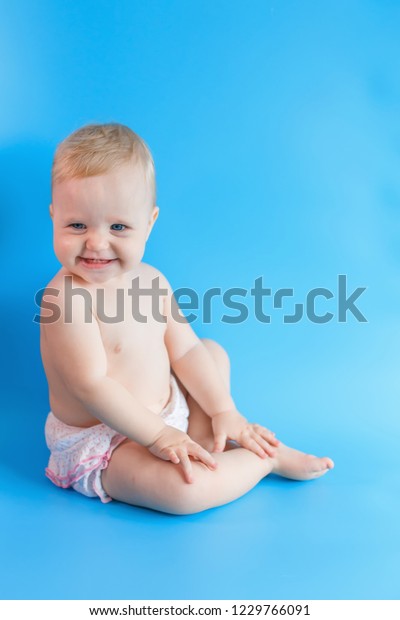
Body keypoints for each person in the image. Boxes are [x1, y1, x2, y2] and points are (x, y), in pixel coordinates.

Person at [41, 122, 334, 515]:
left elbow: (186, 349)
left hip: (168, 413)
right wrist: (157, 436)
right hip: (110, 440)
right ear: (54, 216)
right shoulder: (64, 300)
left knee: (212, 352)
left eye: (118, 227)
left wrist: (223, 409)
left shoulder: (152, 280)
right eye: (77, 225)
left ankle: (214, 433)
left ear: (150, 222)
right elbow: (91, 387)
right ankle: (264, 459)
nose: (96, 242)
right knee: (183, 494)